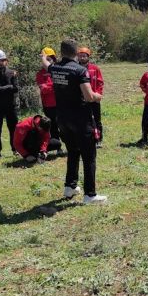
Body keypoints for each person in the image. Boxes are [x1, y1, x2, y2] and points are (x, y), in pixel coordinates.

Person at [49, 39, 106, 204]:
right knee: (89, 157)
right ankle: (90, 195)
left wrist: (43, 57)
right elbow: (89, 96)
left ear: (61, 52)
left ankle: (70, 186)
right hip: (80, 119)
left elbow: (46, 63)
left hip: (62, 119)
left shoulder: (55, 68)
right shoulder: (80, 70)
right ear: (76, 53)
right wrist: (97, 96)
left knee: (73, 152)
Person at [77, 47, 104, 148]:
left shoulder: (95, 68)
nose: (82, 58)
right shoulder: (76, 68)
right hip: (81, 100)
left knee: (97, 119)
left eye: (84, 56)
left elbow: (100, 83)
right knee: (82, 120)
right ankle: (84, 139)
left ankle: (99, 140)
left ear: (88, 57)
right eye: (80, 56)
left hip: (94, 99)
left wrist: (98, 95)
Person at [37, 47, 62, 150]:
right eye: (45, 59)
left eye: (49, 59)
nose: (47, 62)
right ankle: (57, 147)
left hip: (61, 103)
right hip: (48, 105)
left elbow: (60, 86)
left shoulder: (59, 71)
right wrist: (53, 86)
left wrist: (50, 86)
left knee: (64, 125)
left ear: (54, 59)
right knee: (53, 126)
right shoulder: (40, 74)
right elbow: (43, 88)